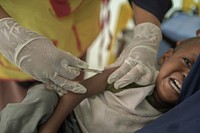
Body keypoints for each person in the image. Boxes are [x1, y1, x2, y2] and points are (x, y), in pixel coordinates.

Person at [1, 35, 200, 133]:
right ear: (166, 56)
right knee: (45, 96)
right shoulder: (136, 74)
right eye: (186, 62)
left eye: (194, 77)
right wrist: (50, 129)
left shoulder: (175, 117)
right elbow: (75, 95)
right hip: (67, 118)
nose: (186, 75)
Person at [0, 0, 172, 109]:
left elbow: (70, 102)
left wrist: (147, 34)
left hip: (77, 36)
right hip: (16, 54)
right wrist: (10, 37)